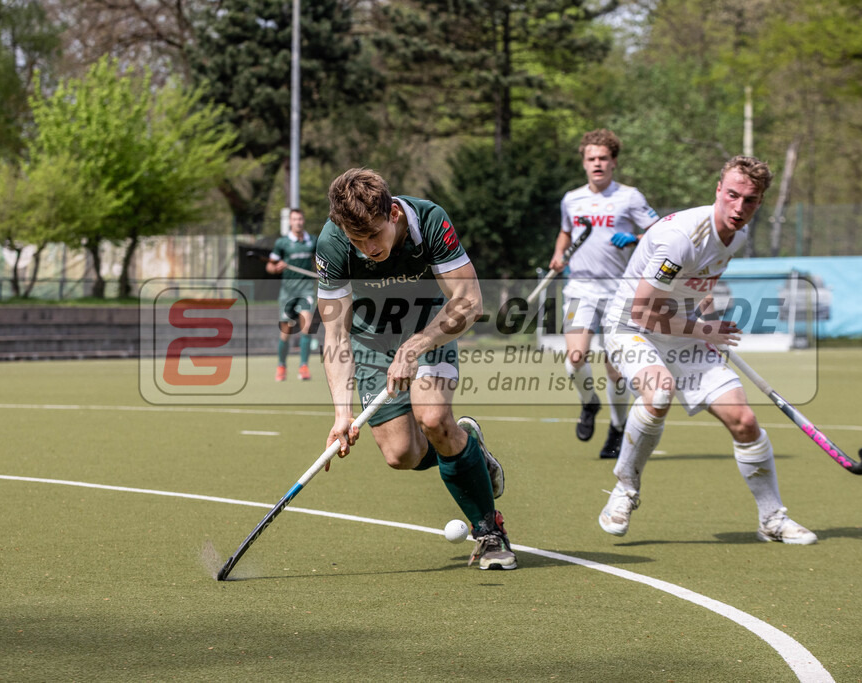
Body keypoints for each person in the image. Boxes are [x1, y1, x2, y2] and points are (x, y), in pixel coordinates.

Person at [596, 155, 817, 545]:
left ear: (760, 202)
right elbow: (643, 313)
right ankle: (624, 489)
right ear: (718, 190)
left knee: (745, 421)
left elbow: (699, 281)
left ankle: (772, 519)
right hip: (630, 328)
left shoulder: (739, 236)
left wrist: (702, 315)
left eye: (750, 200)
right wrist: (704, 329)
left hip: (682, 330)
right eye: (732, 195)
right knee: (659, 390)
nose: (739, 207)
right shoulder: (680, 238)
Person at [315, 168, 515, 570]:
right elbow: (335, 336)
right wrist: (341, 413)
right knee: (401, 454)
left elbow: (469, 301)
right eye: (359, 241)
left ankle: (490, 532)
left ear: (392, 213)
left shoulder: (430, 221)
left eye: (374, 234)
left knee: (434, 418)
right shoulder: (333, 243)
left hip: (430, 327)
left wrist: (417, 346)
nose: (369, 248)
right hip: (371, 339)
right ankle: (469, 449)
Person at [549, 129, 659, 459]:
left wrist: (636, 238)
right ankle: (589, 402)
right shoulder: (572, 199)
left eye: (603, 158)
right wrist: (559, 253)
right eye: (591, 159)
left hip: (619, 291)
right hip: (580, 287)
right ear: (584, 163)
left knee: (615, 368)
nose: (597, 164)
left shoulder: (630, 197)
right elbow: (566, 232)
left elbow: (659, 233)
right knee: (575, 360)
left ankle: (617, 427)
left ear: (613, 162)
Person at [267, 208, 317, 382]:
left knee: (306, 325)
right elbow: (270, 267)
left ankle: (303, 366)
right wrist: (276, 267)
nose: (298, 222)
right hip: (288, 293)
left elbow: (320, 261)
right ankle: (281, 365)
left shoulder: (312, 241)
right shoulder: (282, 243)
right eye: (295, 219)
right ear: (290, 222)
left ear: (304, 221)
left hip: (306, 290)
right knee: (286, 331)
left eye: (301, 219)